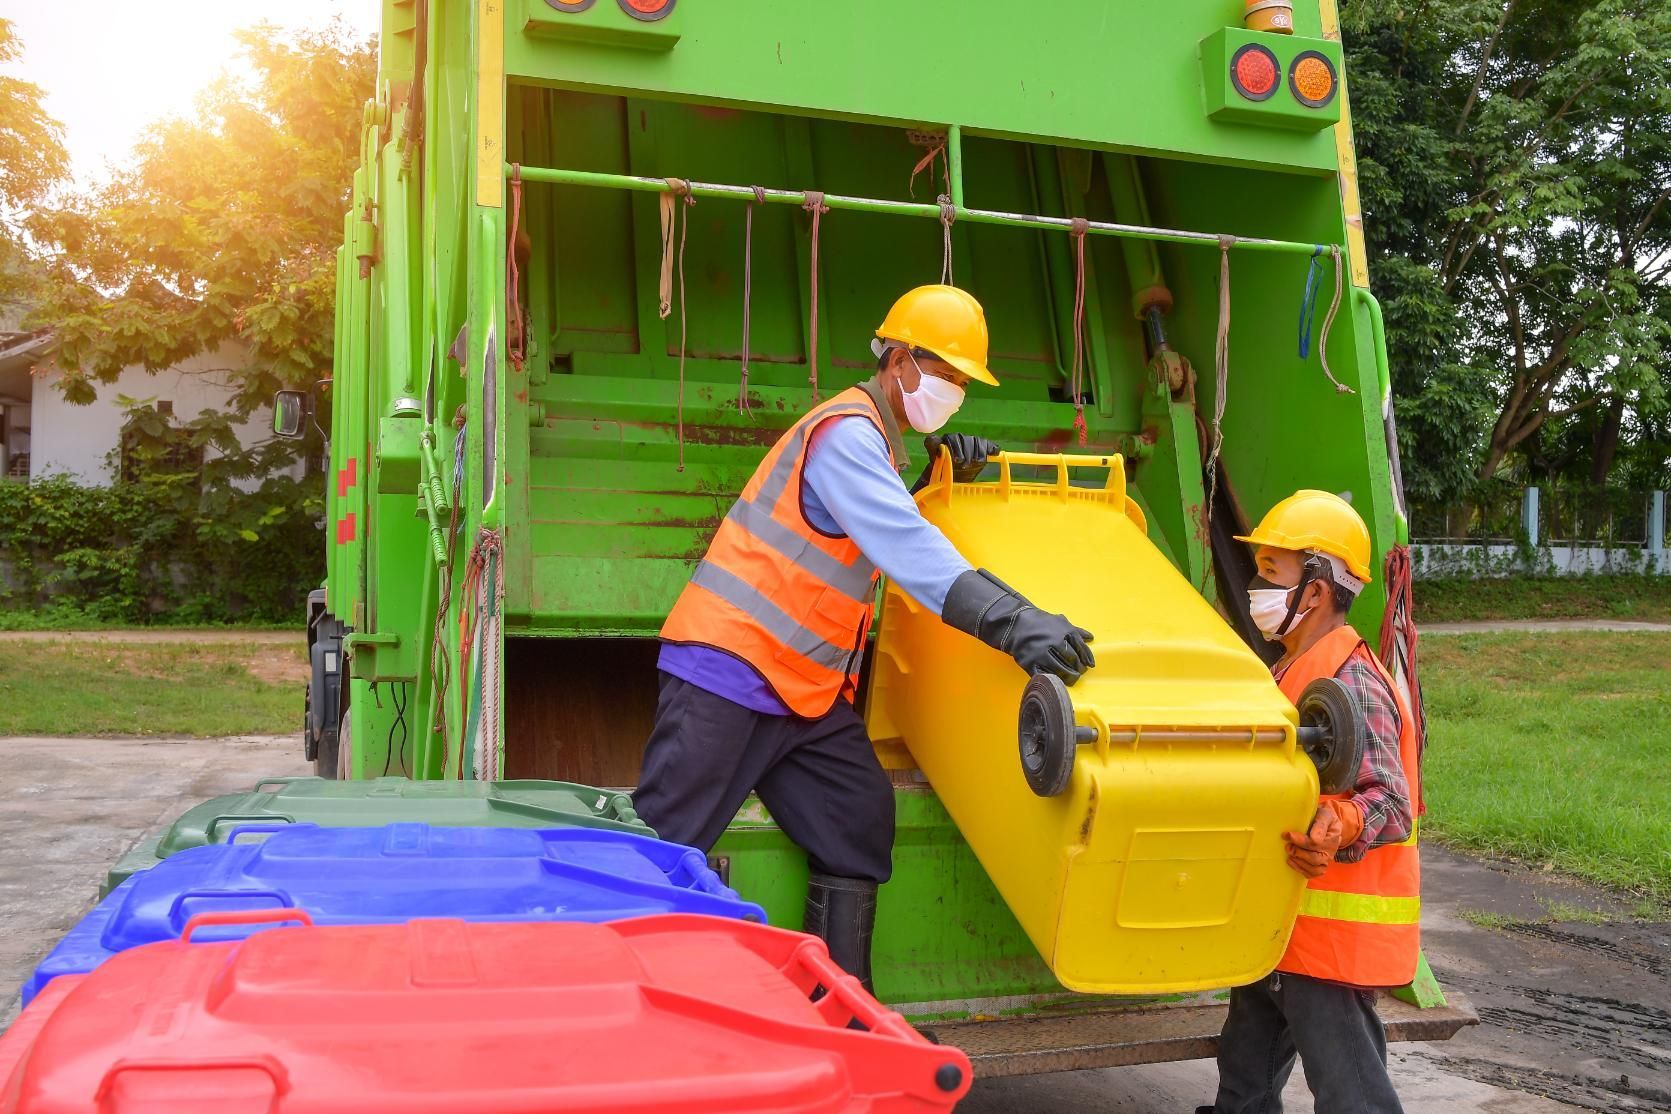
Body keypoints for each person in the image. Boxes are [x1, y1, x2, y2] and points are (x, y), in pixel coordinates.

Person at [637, 284, 1097, 990]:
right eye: (943, 376)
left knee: (855, 815)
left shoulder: (873, 445)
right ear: (900, 362)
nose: (951, 393)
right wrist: (1015, 624)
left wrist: (935, 476)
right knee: (662, 849)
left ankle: (840, 1003)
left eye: (960, 384)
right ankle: (613, 1007)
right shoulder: (846, 433)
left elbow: (855, 534)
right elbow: (905, 549)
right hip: (731, 672)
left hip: (801, 695)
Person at [1201, 489, 1421, 1114]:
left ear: (1317, 592)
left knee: (1353, 1096)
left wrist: (1343, 820)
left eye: (1272, 572)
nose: (1256, 586)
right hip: (1277, 932)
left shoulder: (1353, 681)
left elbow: (1392, 800)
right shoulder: (1288, 670)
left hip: (1328, 947)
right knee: (1243, 1084)